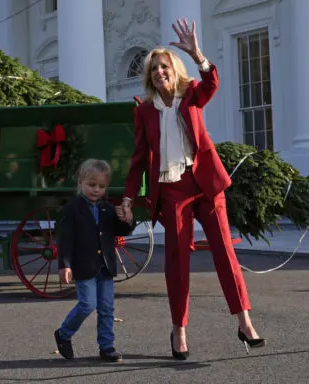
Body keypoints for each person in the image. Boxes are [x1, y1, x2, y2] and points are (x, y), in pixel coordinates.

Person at [121, 18, 266, 360]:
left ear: (174, 69)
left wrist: (198, 54)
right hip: (171, 190)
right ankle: (179, 330)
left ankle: (245, 322)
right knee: (177, 262)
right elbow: (140, 158)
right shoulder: (144, 112)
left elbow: (212, 82)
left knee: (224, 255)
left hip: (205, 185)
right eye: (154, 68)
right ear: (149, 76)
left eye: (164, 65)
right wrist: (128, 197)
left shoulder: (192, 96)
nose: (159, 71)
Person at [54, 159, 134, 362]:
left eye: (101, 186)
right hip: (83, 266)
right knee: (87, 304)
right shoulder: (73, 209)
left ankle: (106, 346)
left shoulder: (108, 209)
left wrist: (126, 219)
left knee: (107, 308)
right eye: (91, 185)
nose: (96, 190)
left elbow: (122, 230)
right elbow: (65, 239)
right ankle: (64, 334)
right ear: (80, 182)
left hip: (105, 267)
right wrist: (65, 264)